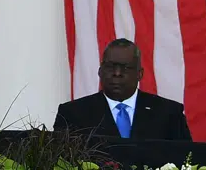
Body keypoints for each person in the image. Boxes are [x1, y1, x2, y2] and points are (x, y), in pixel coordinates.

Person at [54, 38, 192, 140]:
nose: (117, 73)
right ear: (100, 71)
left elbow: (186, 159)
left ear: (140, 74)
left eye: (125, 67)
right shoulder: (72, 114)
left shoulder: (169, 113)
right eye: (110, 66)